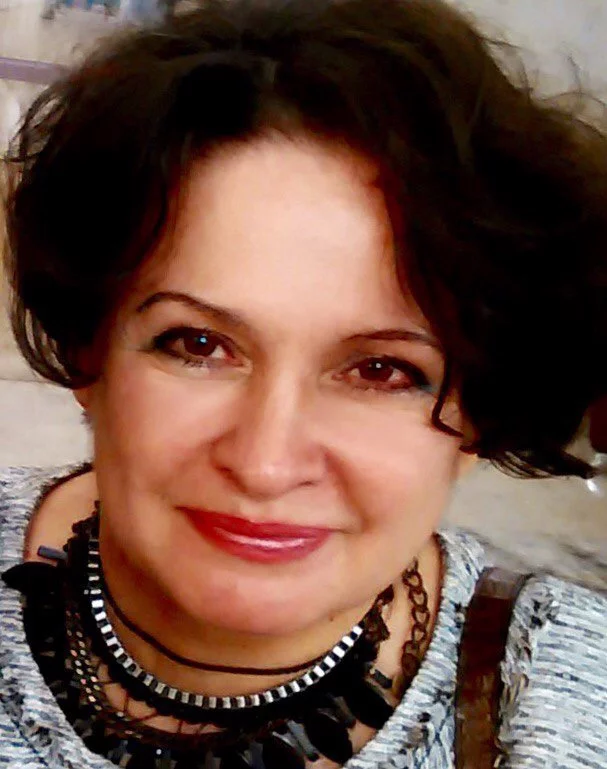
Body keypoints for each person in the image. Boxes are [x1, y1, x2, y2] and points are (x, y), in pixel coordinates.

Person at [1, 0, 607, 766]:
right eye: (198, 344)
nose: (265, 462)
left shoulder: (573, 696)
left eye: (381, 370)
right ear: (89, 353)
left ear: (479, 409)